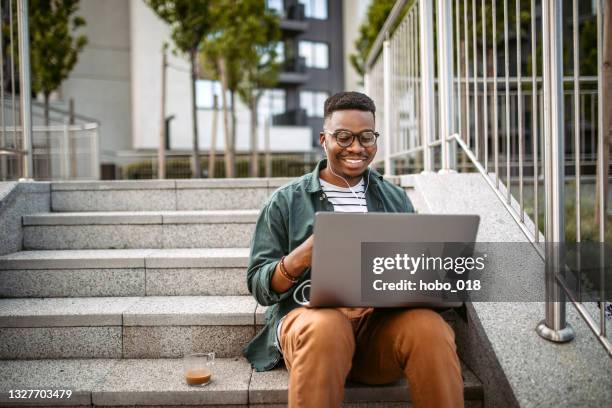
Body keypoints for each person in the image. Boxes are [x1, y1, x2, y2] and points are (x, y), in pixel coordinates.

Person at [243, 91, 463, 408]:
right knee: (327, 326)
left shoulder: (395, 198)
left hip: (378, 330)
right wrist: (301, 256)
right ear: (324, 139)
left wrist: (437, 279)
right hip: (312, 326)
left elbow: (419, 271)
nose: (356, 148)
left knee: (430, 328)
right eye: (344, 137)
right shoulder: (286, 201)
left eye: (366, 137)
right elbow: (259, 286)